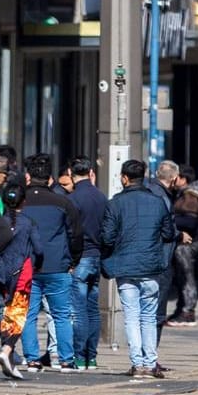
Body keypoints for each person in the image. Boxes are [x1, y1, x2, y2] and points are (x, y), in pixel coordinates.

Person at [102, 159, 175, 379]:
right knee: (149, 316)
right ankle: (151, 362)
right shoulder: (157, 202)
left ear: (124, 178)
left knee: (132, 316)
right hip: (151, 267)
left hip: (125, 267)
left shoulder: (115, 203)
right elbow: (169, 234)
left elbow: (107, 236)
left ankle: (137, 363)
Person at [18, 154, 82, 371]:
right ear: (50, 178)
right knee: (62, 315)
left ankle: (32, 359)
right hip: (57, 265)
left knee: (28, 314)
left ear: (28, 176)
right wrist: (74, 260)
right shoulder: (63, 202)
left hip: (27, 266)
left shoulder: (20, 202)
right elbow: (75, 235)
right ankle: (66, 359)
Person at [0, 180, 39, 380]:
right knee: (18, 313)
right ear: (23, 202)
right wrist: (38, 264)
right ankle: (7, 349)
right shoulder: (29, 223)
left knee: (2, 311)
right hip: (21, 273)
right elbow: (39, 248)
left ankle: (6, 350)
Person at [64, 157, 107, 370]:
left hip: (80, 257)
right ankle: (92, 356)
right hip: (97, 255)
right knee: (93, 308)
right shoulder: (101, 197)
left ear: (72, 174)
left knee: (78, 309)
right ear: (91, 173)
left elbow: (71, 233)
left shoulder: (73, 199)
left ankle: (79, 356)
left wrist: (70, 259)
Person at [160, 162, 198, 326]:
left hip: (188, 243)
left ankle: (187, 311)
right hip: (186, 242)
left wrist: (170, 221)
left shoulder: (191, 195)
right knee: (182, 276)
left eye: (176, 177)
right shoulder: (185, 192)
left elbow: (190, 221)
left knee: (186, 275)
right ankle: (181, 309)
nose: (173, 180)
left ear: (183, 179)